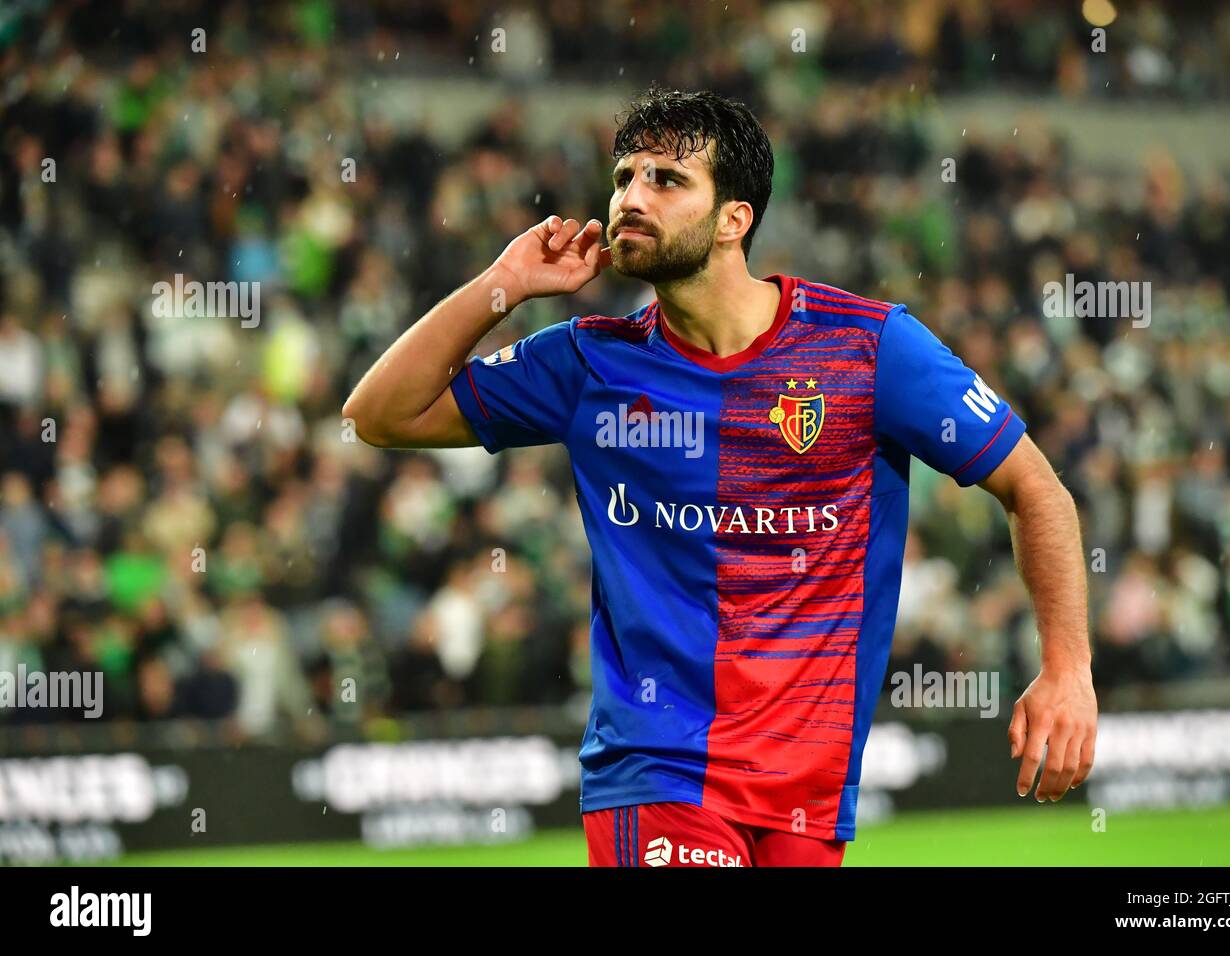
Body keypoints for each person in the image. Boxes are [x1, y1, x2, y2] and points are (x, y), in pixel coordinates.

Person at [343, 87, 1097, 867]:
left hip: (809, 788)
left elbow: (1036, 488)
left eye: (667, 180)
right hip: (659, 767)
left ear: (734, 219)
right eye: (625, 176)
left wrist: (1066, 668)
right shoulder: (587, 363)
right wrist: (501, 284)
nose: (631, 198)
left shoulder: (870, 350)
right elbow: (378, 415)